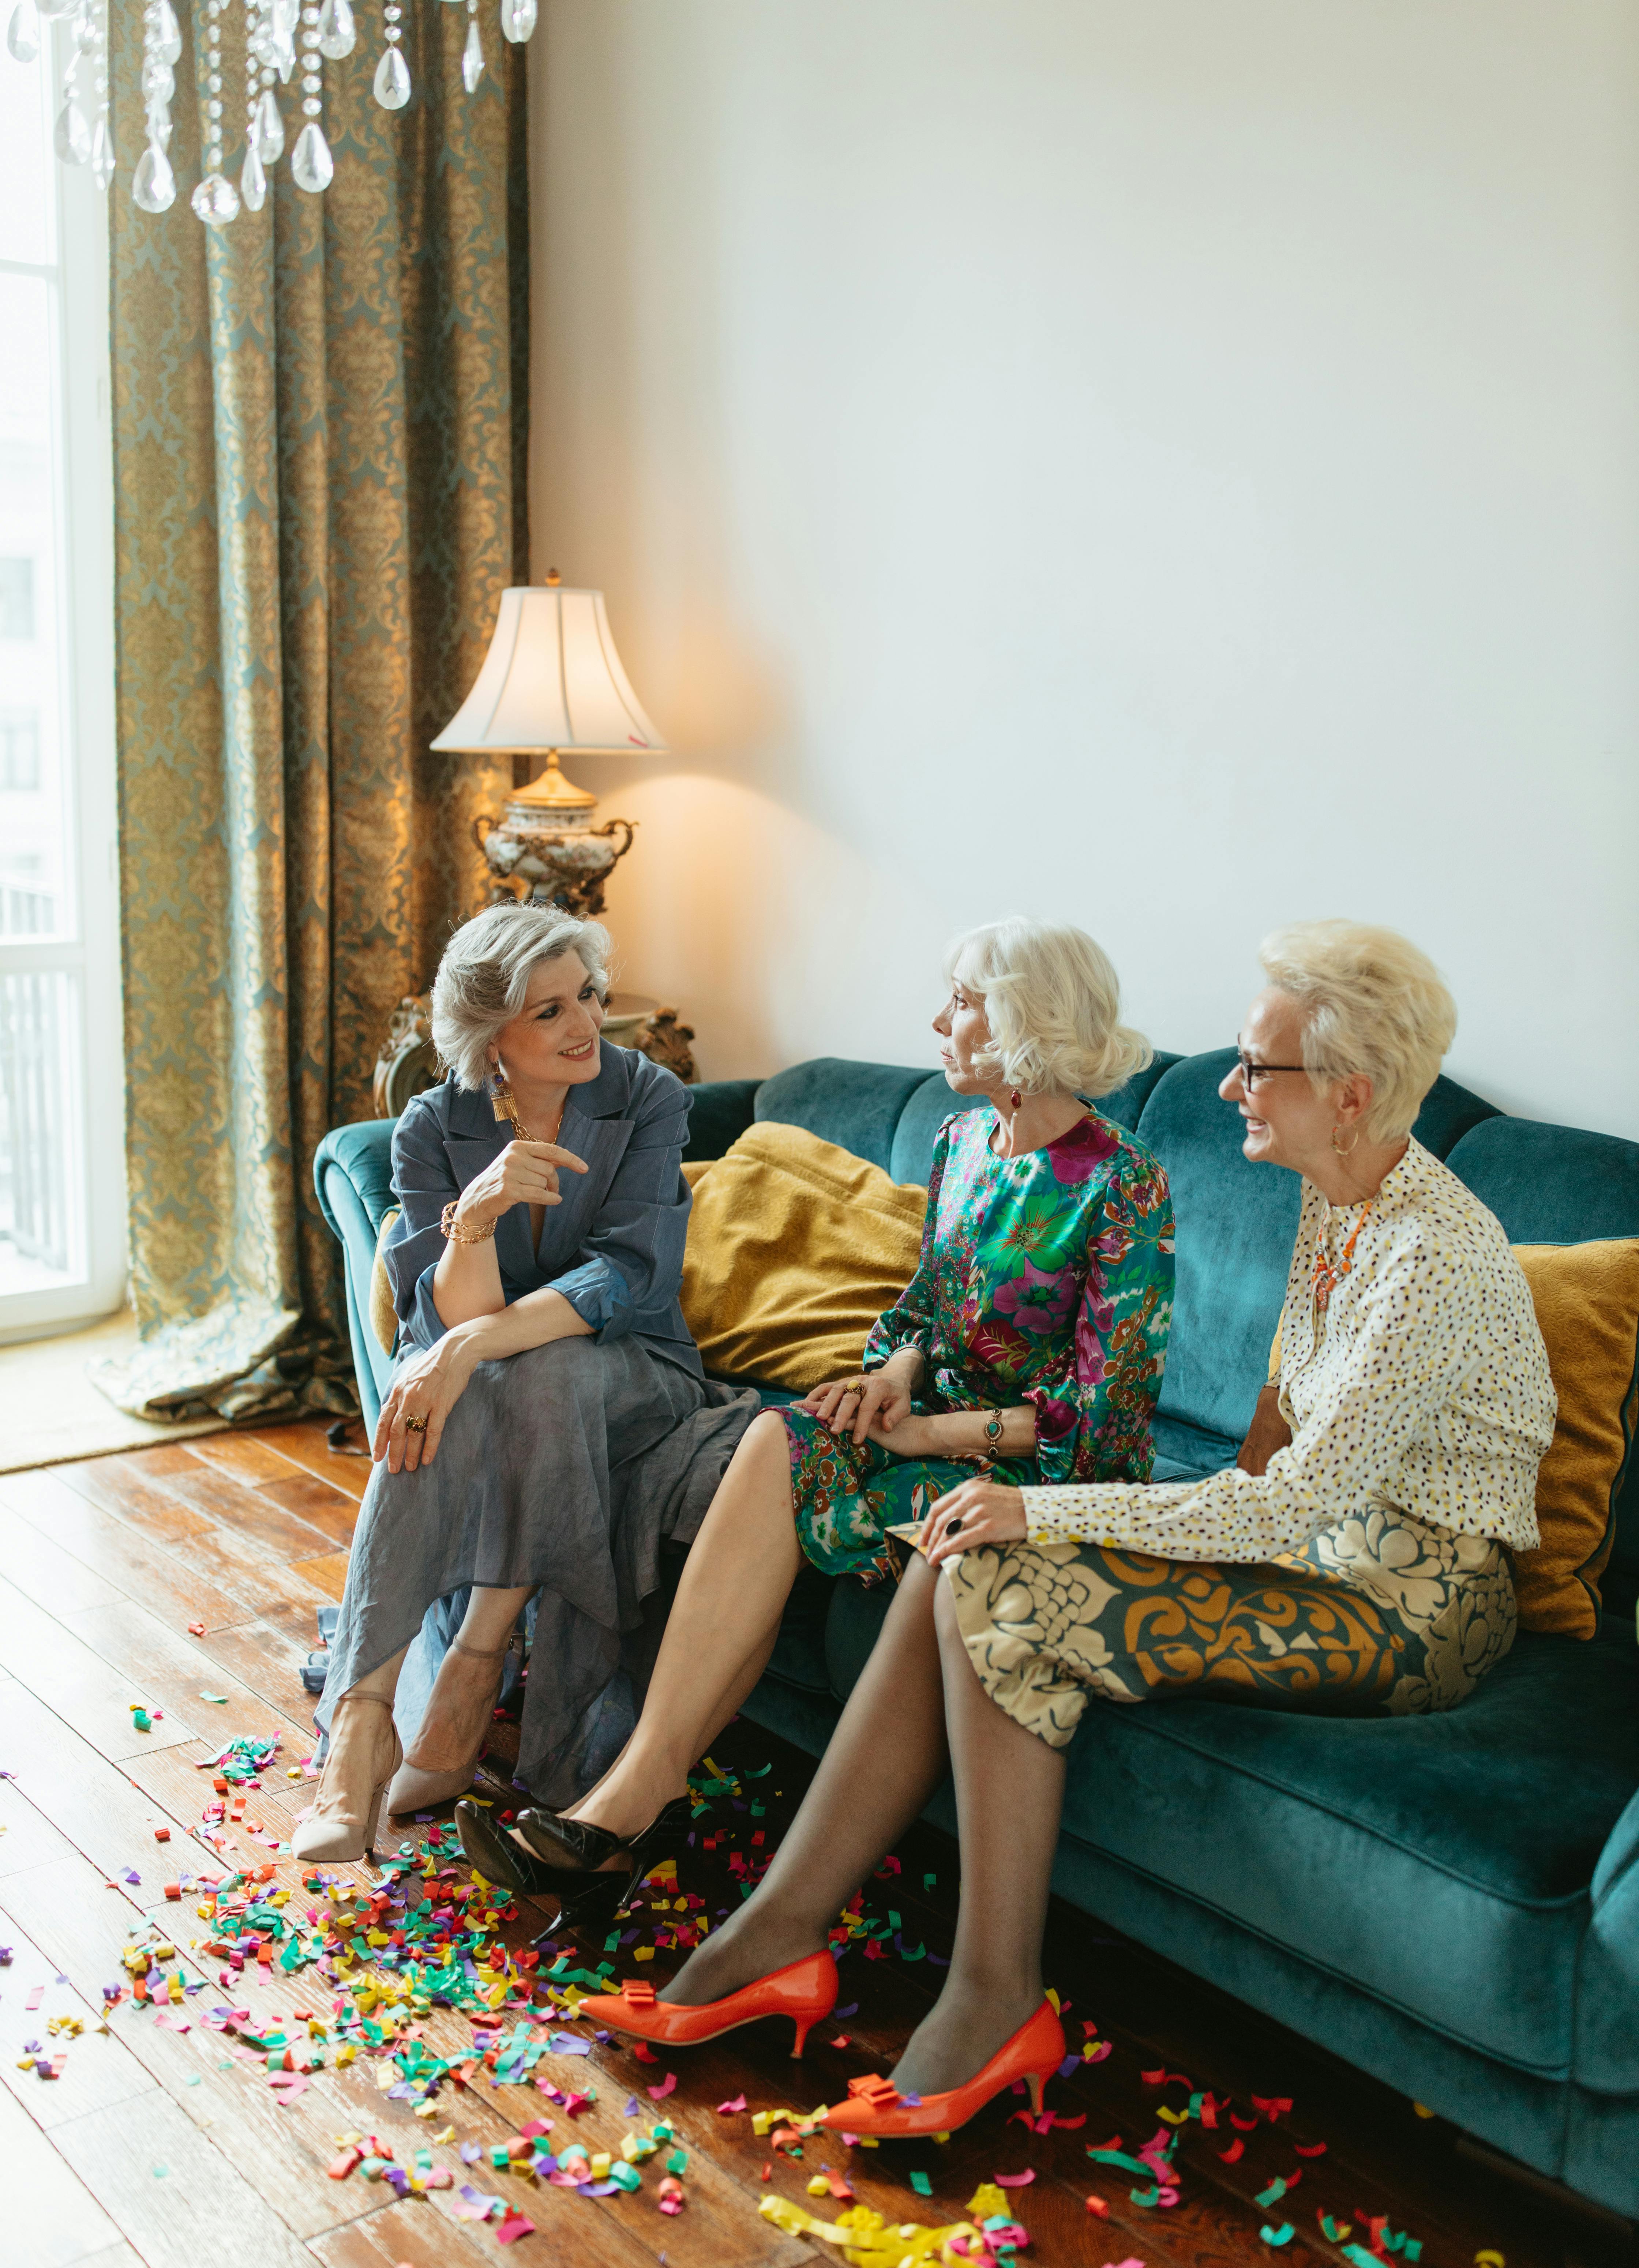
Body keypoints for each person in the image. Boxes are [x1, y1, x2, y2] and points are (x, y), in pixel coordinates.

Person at [572, 921, 1556, 2135]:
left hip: (1412, 1605)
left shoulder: (1430, 1261)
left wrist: (1037, 1501)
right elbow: (1274, 1431)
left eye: (1259, 1068)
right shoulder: (1343, 1193)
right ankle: (783, 1933)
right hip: (1306, 1547)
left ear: (1347, 1096)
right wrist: (1010, 1501)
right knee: (971, 1551)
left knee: (1008, 1574)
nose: (1230, 1085)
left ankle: (989, 1998)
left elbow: (1291, 1503)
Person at [461, 917, 1176, 1915]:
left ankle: (612, 1826)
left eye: (962, 1004)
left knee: (811, 1471)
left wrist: (931, 1434)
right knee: (774, 1437)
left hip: (1039, 1473)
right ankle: (634, 1799)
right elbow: (926, 1305)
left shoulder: (1121, 1179)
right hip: (931, 1419)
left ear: (1025, 1025)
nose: (939, 1020)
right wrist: (895, 1378)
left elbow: (1106, 1414)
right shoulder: (963, 1137)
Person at [295, 903, 756, 1868]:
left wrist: (463, 1352)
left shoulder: (647, 1098)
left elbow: (631, 1278)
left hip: (643, 1373)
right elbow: (448, 1316)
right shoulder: (433, 1126)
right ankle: (364, 1726)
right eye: (548, 1012)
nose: (586, 1023)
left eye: (585, 994)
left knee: (492, 1373)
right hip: (523, 1381)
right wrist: (472, 1223)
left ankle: (467, 1676)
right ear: (488, 1034)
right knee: (485, 1382)